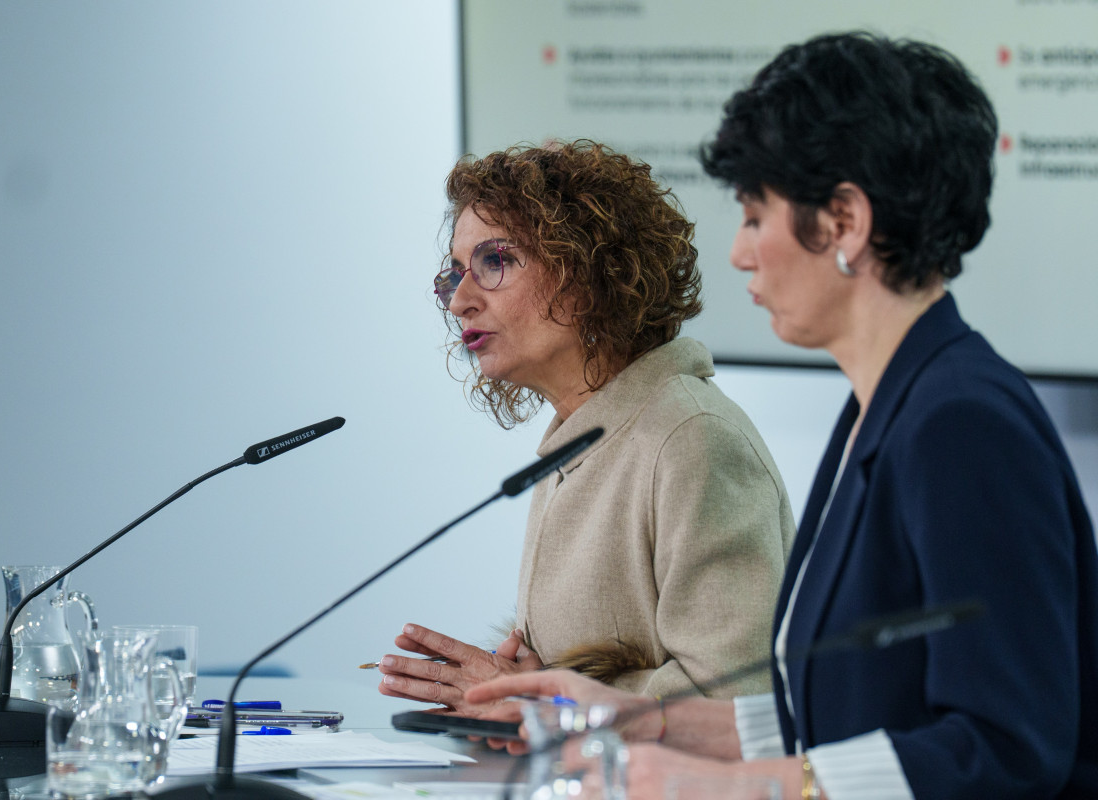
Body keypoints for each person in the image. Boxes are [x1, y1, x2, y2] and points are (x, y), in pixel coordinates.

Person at [466, 33, 1098, 800]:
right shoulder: (888, 404)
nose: (739, 252)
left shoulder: (961, 424)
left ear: (844, 223)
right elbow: (843, 715)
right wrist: (643, 723)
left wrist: (743, 788)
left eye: (756, 215)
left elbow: (1005, 750)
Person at [377, 141, 796, 714]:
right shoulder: (578, 436)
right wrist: (521, 685)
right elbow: (572, 674)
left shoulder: (692, 438)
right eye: (454, 274)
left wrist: (543, 702)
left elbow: (737, 701)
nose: (461, 302)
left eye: (495, 262)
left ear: (590, 270)